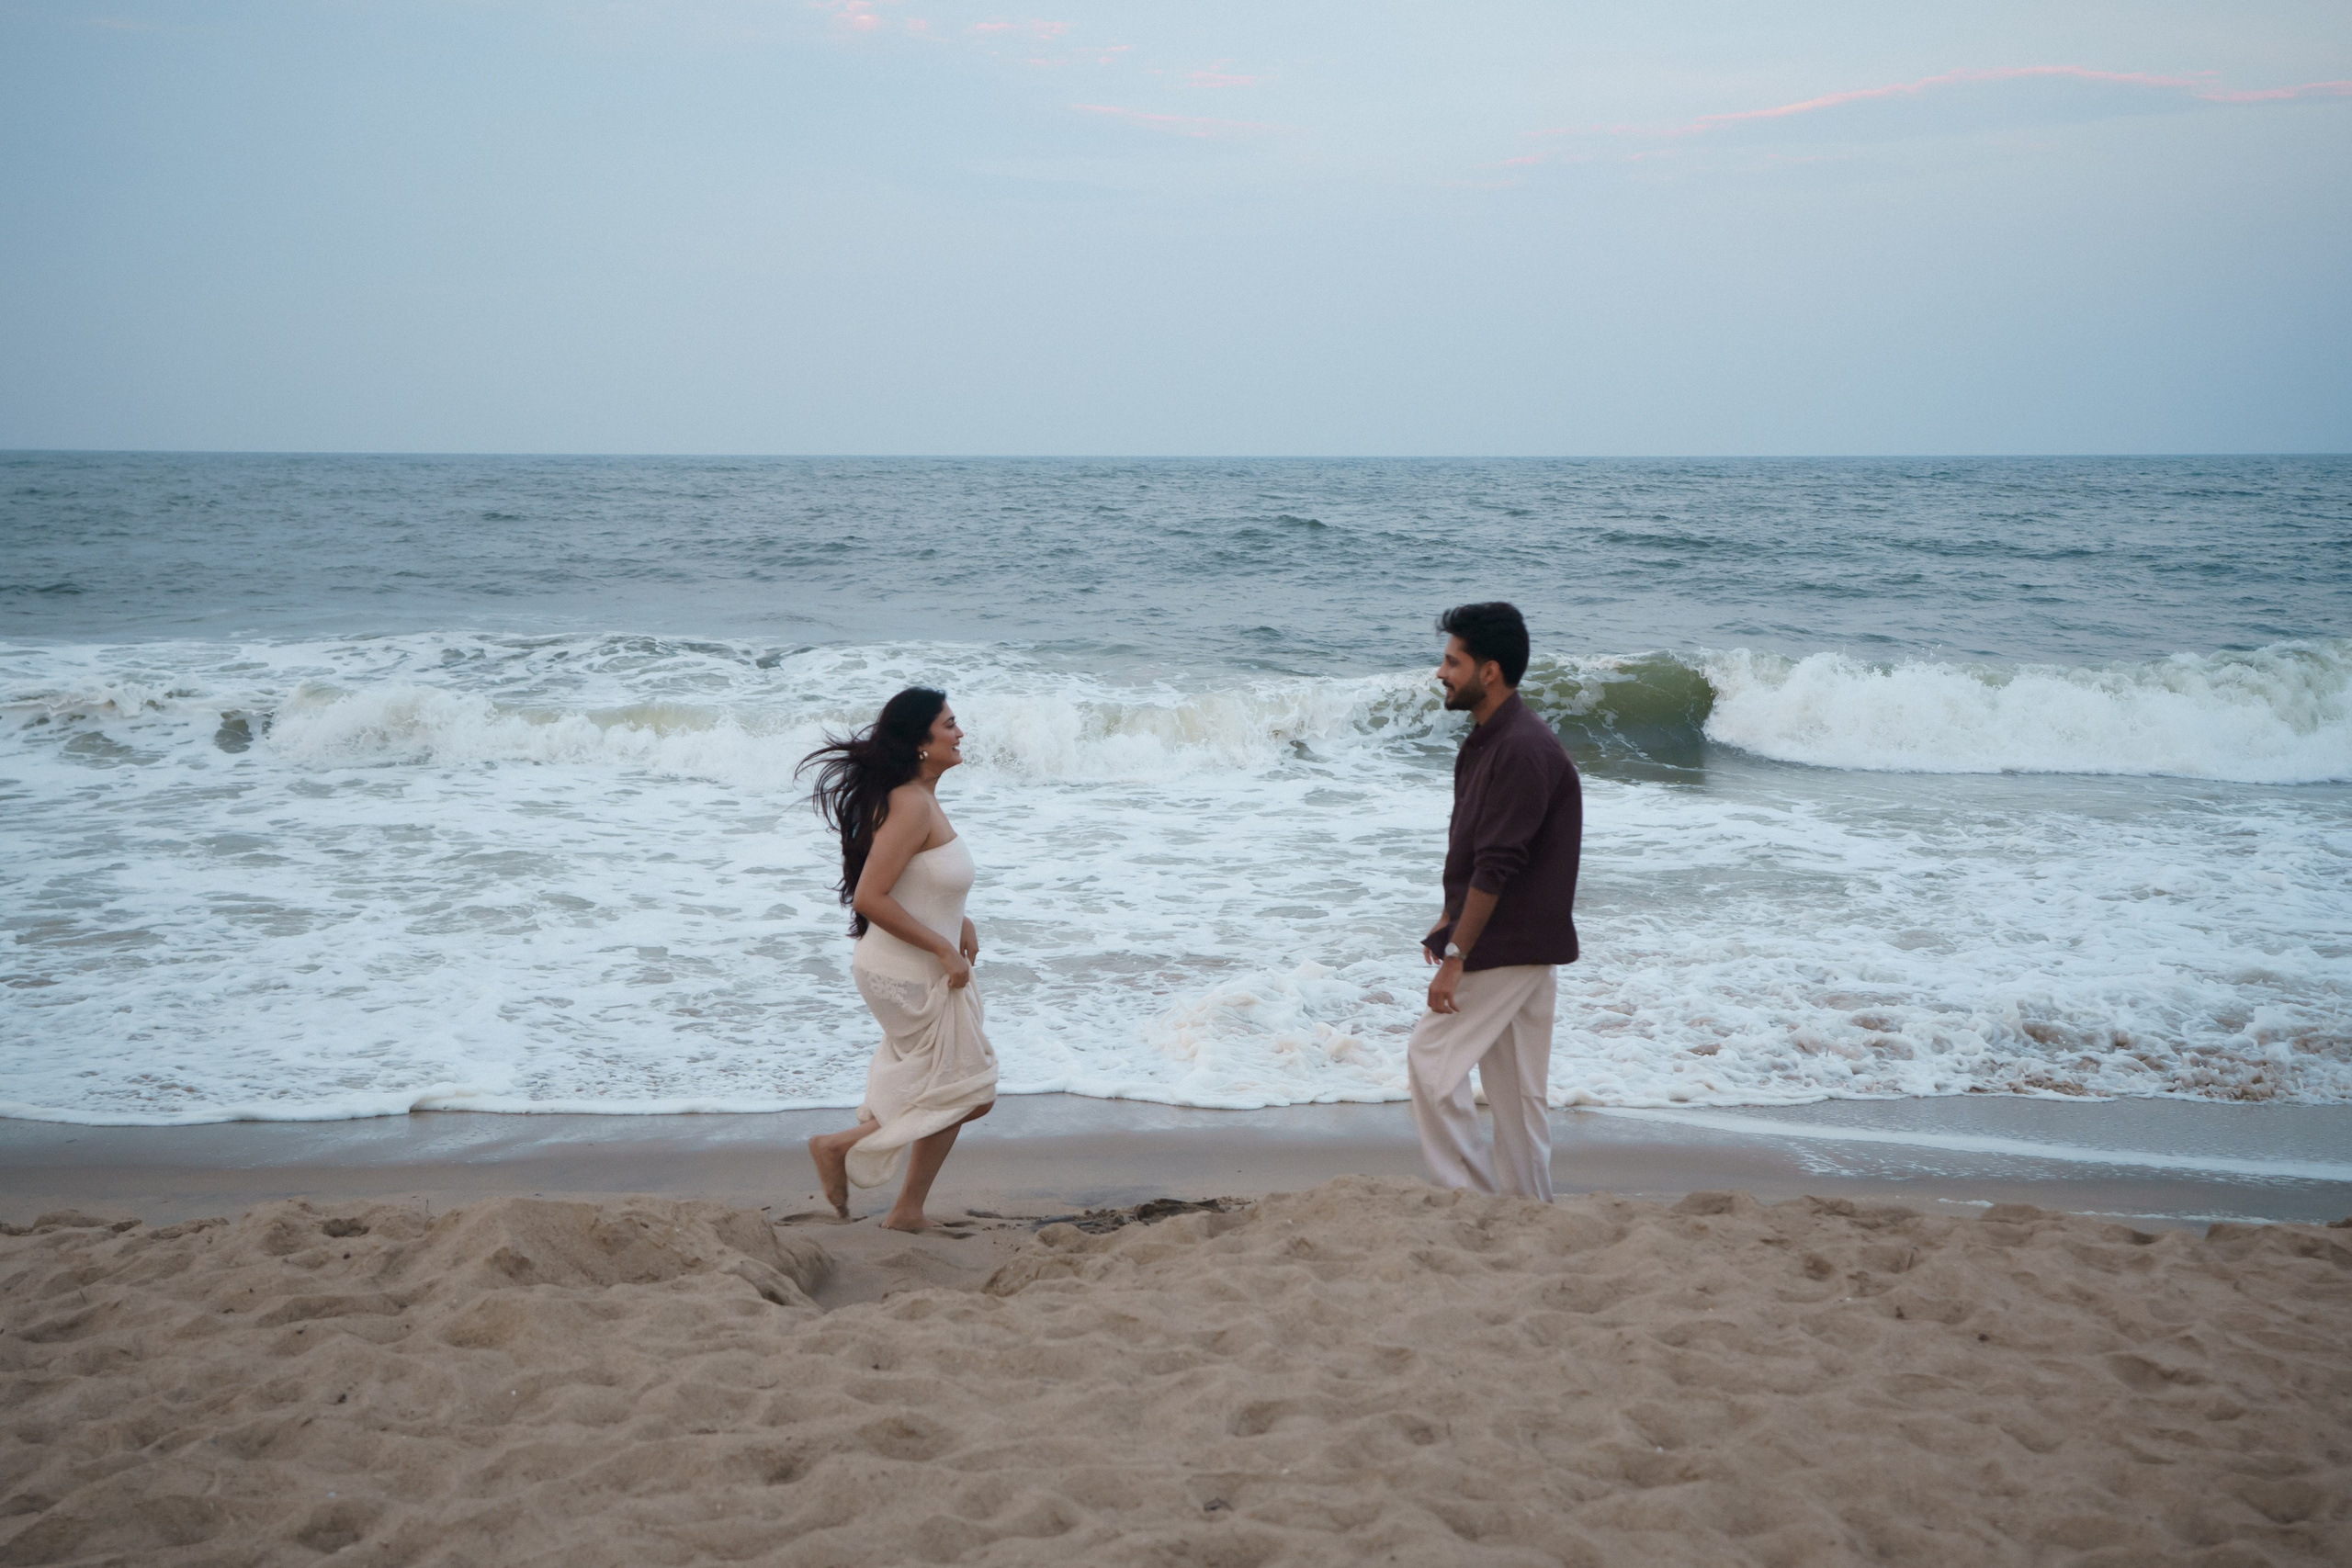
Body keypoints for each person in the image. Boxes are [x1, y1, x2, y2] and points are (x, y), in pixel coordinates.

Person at [796, 687, 997, 1231]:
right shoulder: (910, 803)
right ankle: (842, 1151)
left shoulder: (921, 798)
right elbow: (870, 897)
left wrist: (960, 923)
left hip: (919, 962)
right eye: (950, 725)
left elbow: (923, 881)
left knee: (956, 1087)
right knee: (964, 1088)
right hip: (906, 968)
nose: (960, 734)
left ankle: (903, 1206)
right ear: (920, 742)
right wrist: (939, 946)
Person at [1411, 602, 1583, 1202]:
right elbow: (1479, 845)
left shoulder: (1520, 749)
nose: (1441, 671)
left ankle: (1469, 1197)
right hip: (1524, 937)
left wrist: (1457, 951)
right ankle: (1528, 1210)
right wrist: (1447, 914)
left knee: (1431, 1059)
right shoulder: (1493, 738)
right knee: (1517, 1097)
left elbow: (1498, 865)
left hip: (1509, 940)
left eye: (1452, 661)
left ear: (1490, 671)